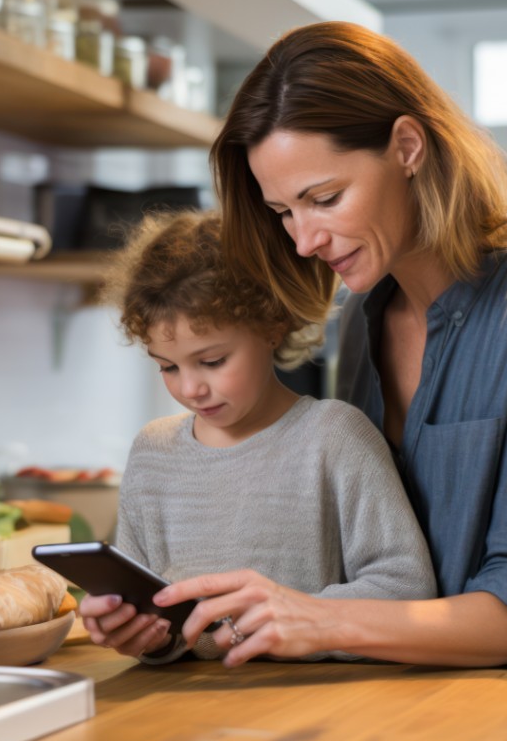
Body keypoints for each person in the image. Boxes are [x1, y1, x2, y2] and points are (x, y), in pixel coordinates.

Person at [133, 21, 507, 676]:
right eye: (283, 212)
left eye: (323, 198)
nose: (303, 240)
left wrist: (316, 616)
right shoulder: (363, 318)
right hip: (416, 712)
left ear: (407, 146)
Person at [80, 209, 436, 663]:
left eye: (212, 361)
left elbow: (406, 587)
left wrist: (297, 618)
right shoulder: (153, 451)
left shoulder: (335, 437)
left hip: (317, 709)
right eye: (167, 366)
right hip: (187, 710)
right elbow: (153, 615)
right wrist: (139, 635)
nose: (190, 389)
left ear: (272, 325)